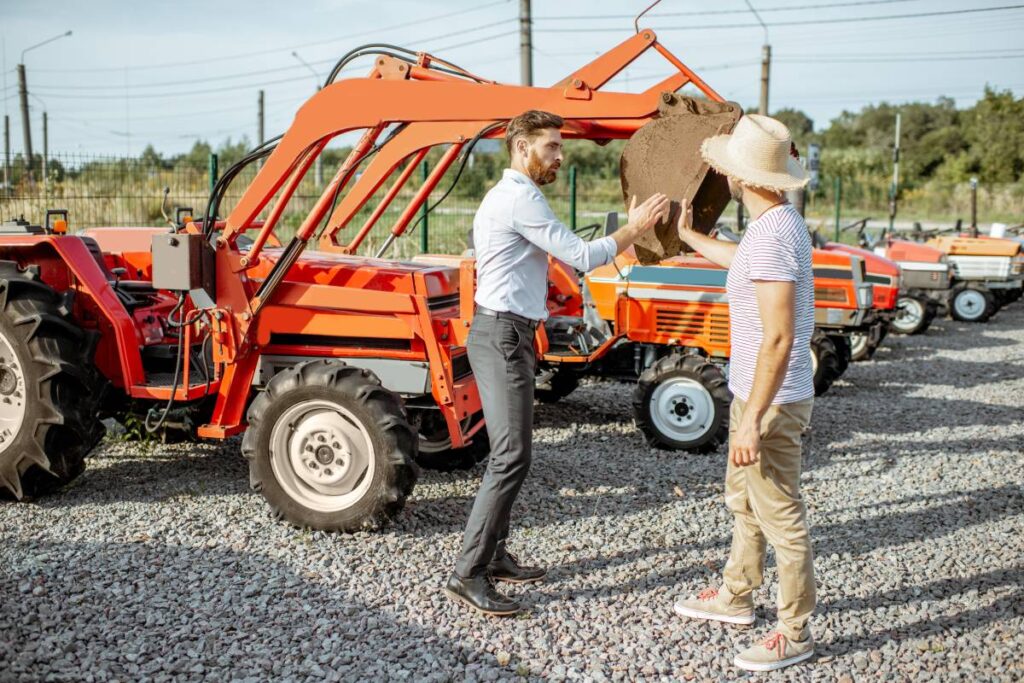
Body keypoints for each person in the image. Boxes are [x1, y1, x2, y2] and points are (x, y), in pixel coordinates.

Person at [445, 110, 670, 616]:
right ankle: (468, 572)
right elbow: (582, 257)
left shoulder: (514, 194)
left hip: (508, 331)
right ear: (522, 147)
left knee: (513, 454)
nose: (560, 155)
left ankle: (494, 555)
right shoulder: (519, 197)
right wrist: (635, 228)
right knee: (510, 456)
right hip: (502, 333)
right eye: (551, 146)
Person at [671, 114, 817, 672]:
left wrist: (754, 418)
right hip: (752, 392)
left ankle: (795, 631)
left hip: (771, 399)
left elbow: (780, 337)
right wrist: (692, 238)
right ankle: (736, 595)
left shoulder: (776, 233)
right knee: (747, 504)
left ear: (742, 177)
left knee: (781, 513)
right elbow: (745, 265)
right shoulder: (770, 225)